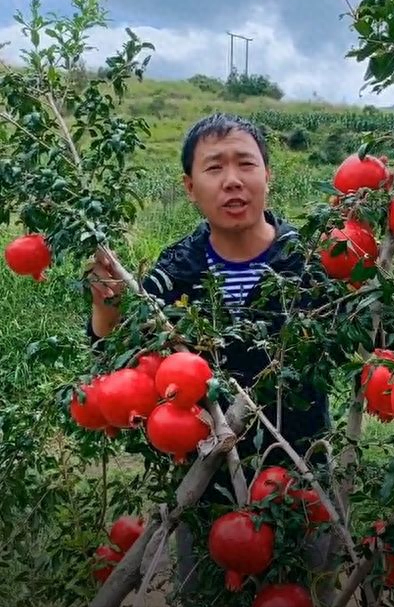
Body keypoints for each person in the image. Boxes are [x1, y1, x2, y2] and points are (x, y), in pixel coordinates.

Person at [86, 112, 333, 602]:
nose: (233, 180)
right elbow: (112, 354)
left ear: (268, 175)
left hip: (299, 464)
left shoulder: (313, 263)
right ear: (189, 187)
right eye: (214, 168)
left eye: (246, 163)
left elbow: (376, 334)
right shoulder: (174, 270)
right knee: (201, 587)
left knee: (305, 584)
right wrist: (105, 304)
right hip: (202, 472)